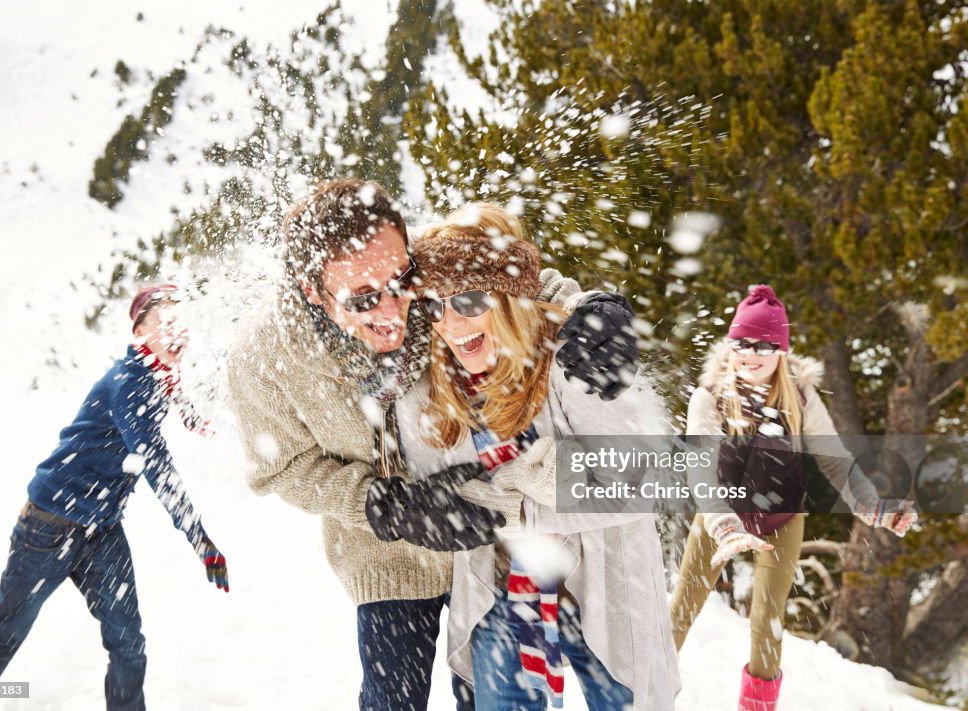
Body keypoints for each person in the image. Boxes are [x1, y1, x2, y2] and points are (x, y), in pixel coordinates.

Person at [227, 180, 640, 711]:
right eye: (364, 299)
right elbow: (282, 469)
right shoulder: (261, 361)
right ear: (313, 290)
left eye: (401, 281)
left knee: (490, 690)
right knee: (392, 698)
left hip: (484, 530)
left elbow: (510, 275)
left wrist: (592, 310)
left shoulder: (420, 262)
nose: (393, 309)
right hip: (386, 547)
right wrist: (387, 507)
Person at [370, 205, 680, 710]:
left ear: (508, 297)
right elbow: (453, 498)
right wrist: (422, 510)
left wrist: (507, 500)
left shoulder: (574, 355)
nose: (451, 323)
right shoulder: (430, 389)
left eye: (469, 300)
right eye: (434, 306)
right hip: (502, 590)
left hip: (602, 582)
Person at [0, 285, 228, 711]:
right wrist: (200, 540)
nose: (177, 333)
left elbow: (169, 390)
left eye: (181, 323)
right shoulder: (128, 382)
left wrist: (192, 415)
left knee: (128, 642)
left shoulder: (158, 374)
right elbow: (156, 466)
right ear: (139, 331)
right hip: (49, 524)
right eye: (165, 323)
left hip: (102, 529)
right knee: (6, 629)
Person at [669, 284, 917, 711]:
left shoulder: (800, 396)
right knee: (681, 610)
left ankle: (756, 707)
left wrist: (873, 506)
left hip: (781, 517)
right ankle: (641, 695)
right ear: (731, 345)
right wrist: (725, 526)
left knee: (767, 621)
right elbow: (700, 472)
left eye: (765, 344)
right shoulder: (708, 396)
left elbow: (837, 461)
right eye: (743, 343)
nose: (752, 353)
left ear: (780, 351)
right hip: (719, 517)